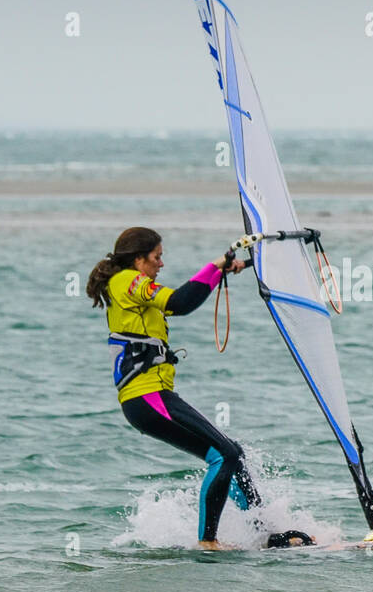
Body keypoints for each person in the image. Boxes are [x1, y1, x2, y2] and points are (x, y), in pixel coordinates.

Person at [87, 226, 259, 550]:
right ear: (139, 260)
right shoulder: (126, 281)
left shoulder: (135, 290)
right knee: (226, 454)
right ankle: (208, 542)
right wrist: (215, 265)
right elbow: (180, 301)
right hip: (145, 396)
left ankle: (261, 529)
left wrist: (233, 267)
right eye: (157, 257)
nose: (161, 264)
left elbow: (183, 299)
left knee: (231, 454)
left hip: (151, 397)